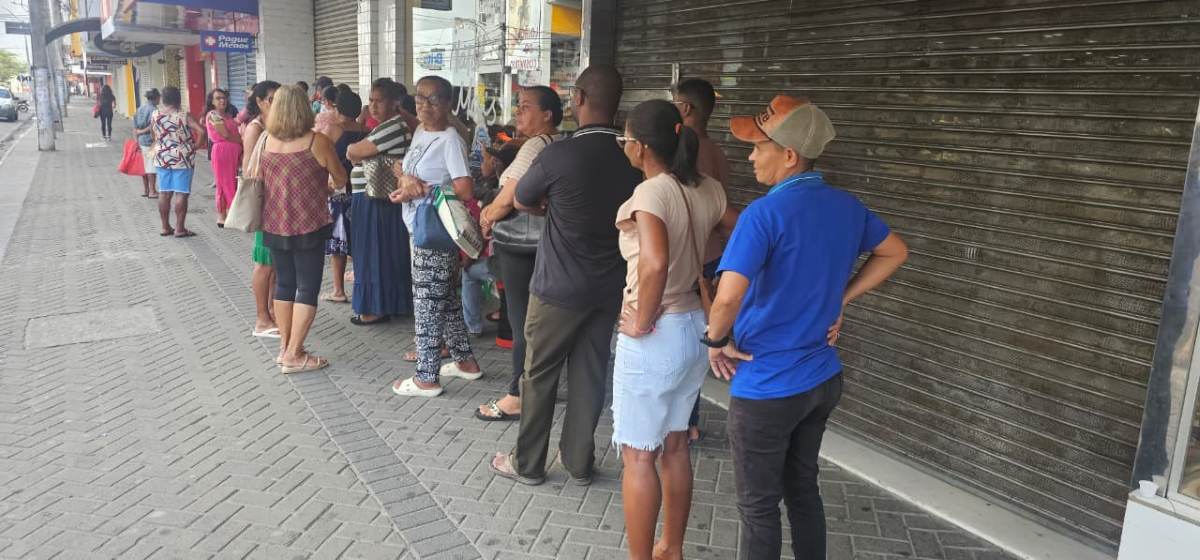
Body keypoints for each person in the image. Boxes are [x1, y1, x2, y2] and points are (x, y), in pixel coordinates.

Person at [705, 96, 908, 559]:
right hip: (821, 380)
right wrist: (840, 297)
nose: (751, 156)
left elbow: (729, 296)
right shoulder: (846, 206)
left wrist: (715, 341)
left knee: (758, 509)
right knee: (802, 491)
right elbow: (895, 251)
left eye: (758, 147)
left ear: (790, 155)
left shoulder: (763, 214)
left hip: (769, 386)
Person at [488, 65, 641, 485]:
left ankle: (529, 464)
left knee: (538, 375)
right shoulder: (634, 156)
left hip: (557, 287)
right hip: (609, 286)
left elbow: (520, 198)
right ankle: (578, 461)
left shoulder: (559, 153)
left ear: (579, 98)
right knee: (590, 375)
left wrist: (546, 207)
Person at [611, 99, 730, 560]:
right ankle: (671, 549)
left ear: (640, 147)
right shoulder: (706, 189)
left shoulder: (651, 194)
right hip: (694, 329)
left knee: (639, 454)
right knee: (675, 444)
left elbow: (655, 262)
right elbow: (742, 231)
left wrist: (640, 321)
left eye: (625, 140)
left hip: (656, 333)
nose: (625, 147)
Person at [388, 75, 481, 398]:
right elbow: (413, 173)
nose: (425, 106)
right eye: (420, 98)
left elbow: (465, 188)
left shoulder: (450, 139)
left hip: (435, 230)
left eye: (434, 99)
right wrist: (404, 177)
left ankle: (426, 377)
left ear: (448, 104)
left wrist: (422, 188)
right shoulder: (420, 131)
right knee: (447, 298)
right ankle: (465, 362)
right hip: (419, 225)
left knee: (427, 302)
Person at [474, 86, 563, 422]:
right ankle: (539, 385)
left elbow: (505, 199)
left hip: (520, 245)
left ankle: (516, 394)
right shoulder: (562, 143)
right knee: (541, 319)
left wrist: (486, 216)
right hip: (549, 244)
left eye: (526, 107)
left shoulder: (536, 146)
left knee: (522, 319)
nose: (518, 113)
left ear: (547, 116)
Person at [259, 85, 347, 373]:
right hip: (308, 222)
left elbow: (256, 175)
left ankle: (285, 348)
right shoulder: (316, 142)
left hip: (274, 222)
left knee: (284, 284)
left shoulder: (266, 140)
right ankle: (295, 354)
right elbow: (340, 176)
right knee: (307, 288)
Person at [673, 77, 738, 444]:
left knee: (684, 339)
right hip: (714, 256)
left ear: (685, 109)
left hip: (691, 258)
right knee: (701, 341)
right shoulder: (718, 151)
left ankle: (682, 421)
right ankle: (690, 420)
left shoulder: (687, 148)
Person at [346, 79, 414, 325]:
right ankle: (388, 303)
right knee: (384, 252)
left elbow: (354, 152)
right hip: (376, 200)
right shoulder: (387, 126)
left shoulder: (393, 127)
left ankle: (374, 308)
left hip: (376, 201)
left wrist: (355, 151)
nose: (373, 106)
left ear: (395, 103)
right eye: (371, 100)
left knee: (372, 253)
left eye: (379, 100)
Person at [244, 80, 283, 339]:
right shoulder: (255, 129)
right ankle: (261, 318)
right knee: (264, 264)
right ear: (259, 101)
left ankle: (271, 310)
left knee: (275, 264)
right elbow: (250, 170)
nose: (276, 103)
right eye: (271, 99)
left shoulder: (275, 127)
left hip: (279, 204)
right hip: (266, 203)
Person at [322, 90, 369, 304]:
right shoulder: (366, 130)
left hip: (338, 191)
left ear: (337, 108)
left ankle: (339, 290)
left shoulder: (332, 130)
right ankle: (360, 278)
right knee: (359, 237)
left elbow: (320, 158)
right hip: (361, 190)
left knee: (338, 243)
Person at [152, 86, 206, 238]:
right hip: (182, 158)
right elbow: (201, 131)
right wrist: (195, 146)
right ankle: (179, 229)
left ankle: (164, 227)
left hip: (162, 157)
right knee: (181, 193)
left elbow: (153, 133)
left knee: (164, 192)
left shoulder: (155, 114)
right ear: (179, 99)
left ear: (163, 99)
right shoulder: (183, 115)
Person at [205, 88, 242, 228]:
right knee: (226, 184)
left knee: (229, 183)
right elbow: (225, 134)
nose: (222, 100)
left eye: (224, 97)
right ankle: (230, 215)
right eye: (218, 98)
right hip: (222, 152)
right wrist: (241, 141)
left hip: (232, 153)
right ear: (212, 101)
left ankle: (223, 215)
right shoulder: (213, 115)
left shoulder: (227, 114)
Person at [132, 89, 160, 198]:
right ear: (156, 97)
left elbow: (134, 127)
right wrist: (143, 131)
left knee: (144, 166)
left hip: (141, 141)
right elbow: (154, 126)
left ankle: (146, 190)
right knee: (151, 167)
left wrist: (136, 140)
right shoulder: (154, 110)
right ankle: (152, 191)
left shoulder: (139, 109)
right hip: (151, 141)